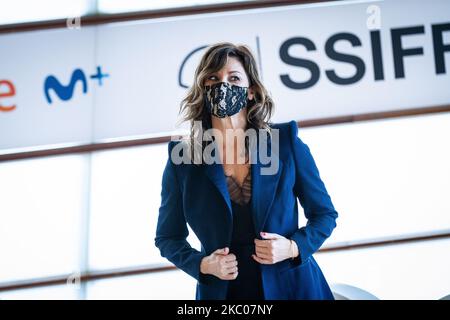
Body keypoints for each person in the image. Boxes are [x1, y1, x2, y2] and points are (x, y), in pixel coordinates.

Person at [155, 42, 338, 300]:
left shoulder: (284, 143)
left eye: (234, 78)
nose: (223, 85)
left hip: (294, 288)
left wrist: (293, 247)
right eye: (213, 78)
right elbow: (167, 237)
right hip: (226, 293)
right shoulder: (182, 159)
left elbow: (325, 215)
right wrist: (203, 265)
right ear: (203, 89)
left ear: (250, 91)